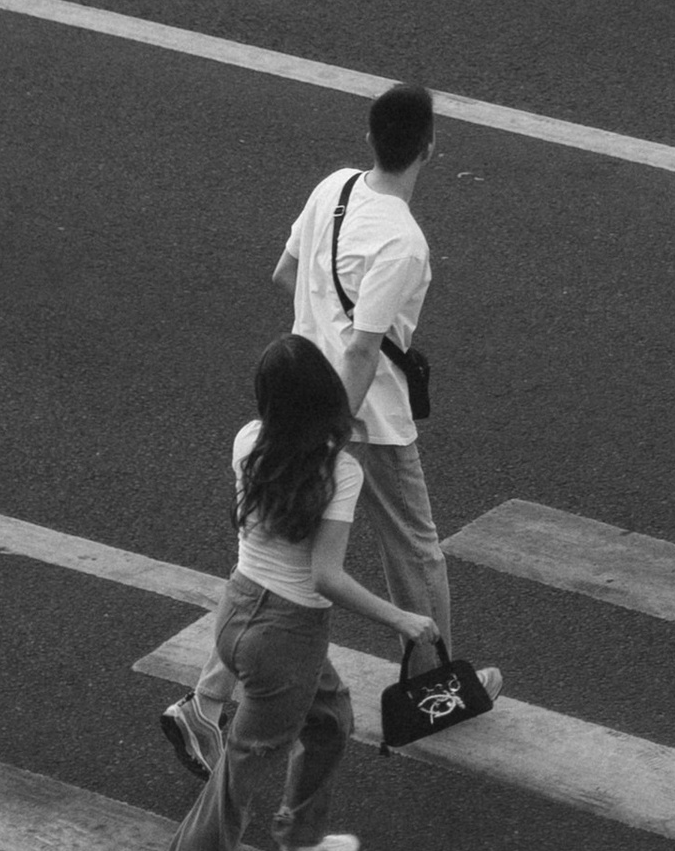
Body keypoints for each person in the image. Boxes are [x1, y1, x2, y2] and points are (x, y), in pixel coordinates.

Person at [161, 79, 496, 783]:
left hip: (295, 397)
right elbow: (364, 349)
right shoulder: (404, 241)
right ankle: (436, 691)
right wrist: (332, 434)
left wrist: (316, 341)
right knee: (417, 551)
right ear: (429, 149)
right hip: (364, 419)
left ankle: (206, 700)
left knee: (272, 560)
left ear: (371, 141)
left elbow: (285, 272)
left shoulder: (334, 188)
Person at [122, 334, 433, 851]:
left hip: (237, 613)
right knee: (231, 795)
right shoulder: (336, 473)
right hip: (288, 637)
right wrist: (401, 617)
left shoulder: (248, 442)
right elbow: (326, 577)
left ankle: (300, 843)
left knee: (331, 718)